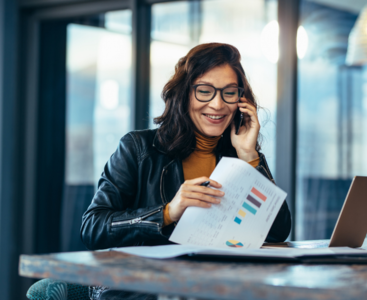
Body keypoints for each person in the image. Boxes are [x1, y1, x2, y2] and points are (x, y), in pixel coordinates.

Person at [81, 43, 291, 252]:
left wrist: (249, 156)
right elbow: (93, 227)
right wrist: (167, 213)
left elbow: (277, 231)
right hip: (150, 281)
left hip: (217, 280)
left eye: (229, 92)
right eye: (205, 91)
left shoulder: (240, 155)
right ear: (184, 95)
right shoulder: (139, 148)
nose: (218, 105)